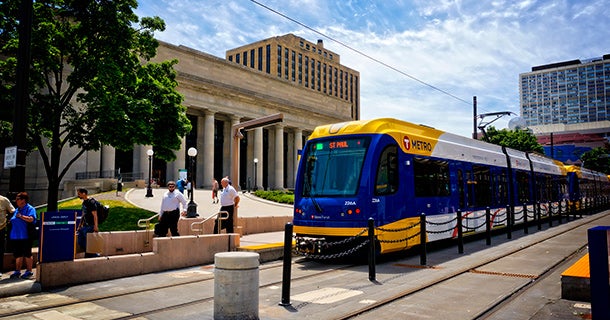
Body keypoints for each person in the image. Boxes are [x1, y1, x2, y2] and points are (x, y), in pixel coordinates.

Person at [9, 192, 36, 279]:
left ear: (23, 200)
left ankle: (29, 271)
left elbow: (31, 219)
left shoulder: (30, 208)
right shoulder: (17, 209)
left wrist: (21, 216)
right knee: (18, 254)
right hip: (16, 236)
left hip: (26, 235)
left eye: (18, 199)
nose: (16, 201)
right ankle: (17, 271)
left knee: (27, 253)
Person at [76, 188, 100, 258]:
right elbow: (83, 215)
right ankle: (90, 254)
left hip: (91, 226)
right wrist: (79, 225)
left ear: (84, 193)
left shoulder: (91, 202)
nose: (78, 196)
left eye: (79, 194)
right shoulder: (84, 203)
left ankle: (93, 255)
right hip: (84, 226)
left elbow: (95, 215)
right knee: (80, 241)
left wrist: (96, 226)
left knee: (88, 242)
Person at [0, 195, 15, 277]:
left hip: (1, 228)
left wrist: (8, 221)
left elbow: (12, 211)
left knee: (0, 250)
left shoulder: (4, 200)